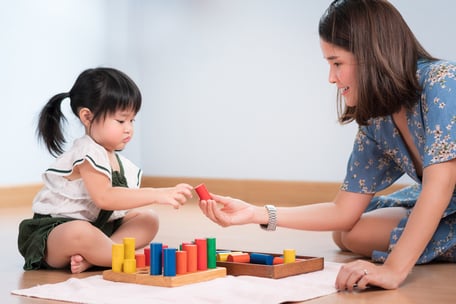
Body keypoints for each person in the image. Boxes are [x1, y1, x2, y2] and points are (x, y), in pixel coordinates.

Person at [199, 0, 456, 291]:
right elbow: (343, 211)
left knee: (358, 234)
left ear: (371, 56)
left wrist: (394, 270)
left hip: (443, 195)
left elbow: (441, 185)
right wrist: (256, 213)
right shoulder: (378, 118)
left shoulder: (443, 82)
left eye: (337, 63)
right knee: (346, 233)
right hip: (445, 201)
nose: (331, 78)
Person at [18, 67, 193, 274]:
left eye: (132, 120)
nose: (128, 128)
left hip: (98, 229)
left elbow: (118, 207)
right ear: (87, 117)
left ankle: (96, 258)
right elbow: (105, 198)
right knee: (79, 231)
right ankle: (114, 256)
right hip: (55, 235)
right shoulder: (87, 152)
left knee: (148, 219)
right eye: (120, 121)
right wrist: (157, 193)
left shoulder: (117, 159)